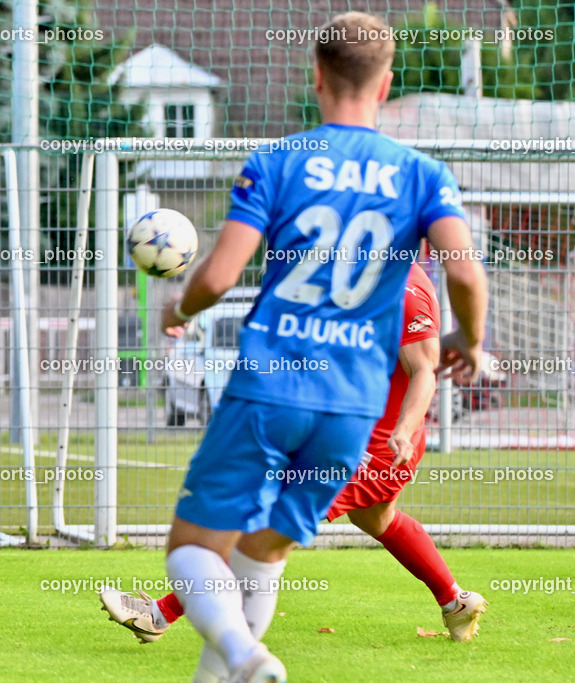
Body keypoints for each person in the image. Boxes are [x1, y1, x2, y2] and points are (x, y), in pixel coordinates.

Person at [136, 12, 489, 681]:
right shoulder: (423, 173)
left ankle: (243, 652)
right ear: (385, 85)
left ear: (317, 75)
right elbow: (466, 271)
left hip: (269, 388)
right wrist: (469, 341)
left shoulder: (276, 160)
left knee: (192, 549)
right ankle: (233, 668)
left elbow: (218, 274)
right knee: (262, 553)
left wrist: (178, 309)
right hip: (350, 412)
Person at [101, 263, 486, 659]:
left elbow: (424, 370)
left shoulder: (405, 290)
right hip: (342, 432)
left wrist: (403, 431)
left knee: (266, 528)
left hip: (377, 448)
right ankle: (455, 602)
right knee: (376, 519)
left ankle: (159, 616)